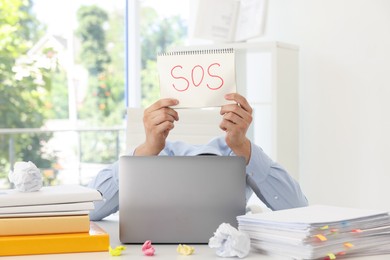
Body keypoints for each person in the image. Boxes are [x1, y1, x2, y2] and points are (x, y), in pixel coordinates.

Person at [88, 93, 308, 221]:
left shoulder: (237, 152)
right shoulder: (150, 155)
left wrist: (243, 147)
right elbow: (88, 210)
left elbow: (299, 211)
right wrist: (146, 150)